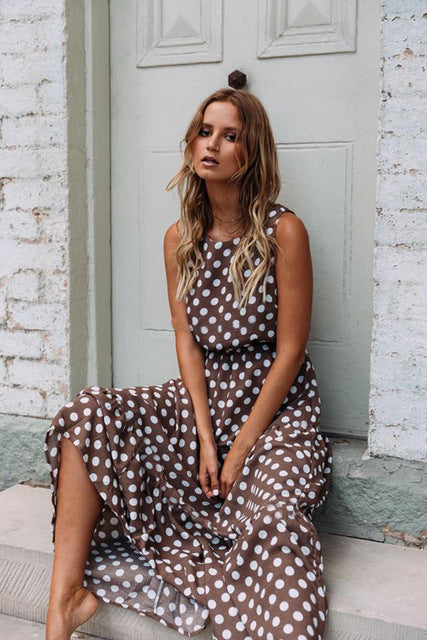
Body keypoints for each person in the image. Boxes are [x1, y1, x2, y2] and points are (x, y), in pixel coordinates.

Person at [44, 87, 333, 640]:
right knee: (88, 412)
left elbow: (291, 351)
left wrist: (240, 447)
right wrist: (205, 437)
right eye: (205, 132)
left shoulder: (284, 232)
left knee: (276, 521)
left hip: (275, 417)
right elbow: (187, 339)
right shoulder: (180, 238)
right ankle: (65, 603)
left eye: (230, 136)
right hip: (202, 402)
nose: (212, 145)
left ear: (252, 152)